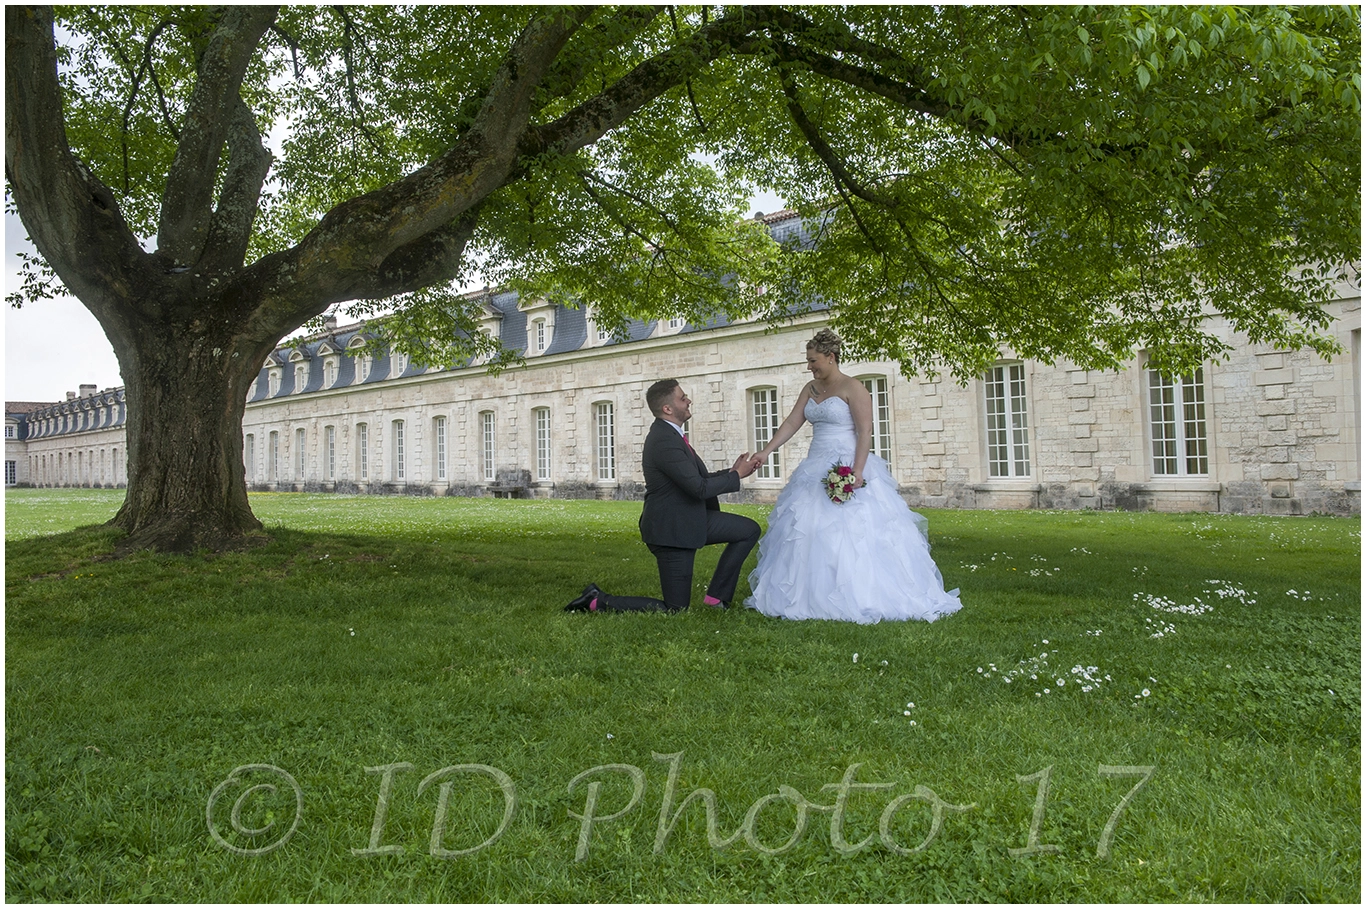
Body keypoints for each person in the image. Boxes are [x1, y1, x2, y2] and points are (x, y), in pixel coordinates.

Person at [743, 329, 962, 624]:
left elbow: (865, 432)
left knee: (853, 531)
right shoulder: (810, 388)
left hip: (846, 464)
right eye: (808, 361)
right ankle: (806, 594)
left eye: (813, 360)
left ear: (830, 358)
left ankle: (860, 594)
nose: (809, 366)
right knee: (806, 528)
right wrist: (766, 451)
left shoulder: (854, 388)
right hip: (814, 467)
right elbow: (793, 422)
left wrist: (857, 471)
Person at [566, 379, 762, 613]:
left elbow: (696, 479)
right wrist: (736, 476)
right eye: (682, 398)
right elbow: (698, 488)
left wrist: (732, 473)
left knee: (748, 530)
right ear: (667, 409)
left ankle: (716, 597)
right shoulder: (664, 440)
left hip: (690, 519)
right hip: (670, 530)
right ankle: (597, 601)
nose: (688, 400)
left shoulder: (672, 436)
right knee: (675, 609)